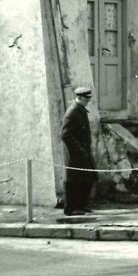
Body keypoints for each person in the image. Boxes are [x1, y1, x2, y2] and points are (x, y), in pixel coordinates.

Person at [60, 86, 96, 216]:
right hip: (77, 154)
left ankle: (81, 205)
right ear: (79, 98)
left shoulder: (80, 110)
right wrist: (79, 150)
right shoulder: (73, 111)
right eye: (86, 99)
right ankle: (71, 208)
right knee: (74, 181)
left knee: (87, 179)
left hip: (83, 152)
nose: (88, 101)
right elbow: (65, 134)